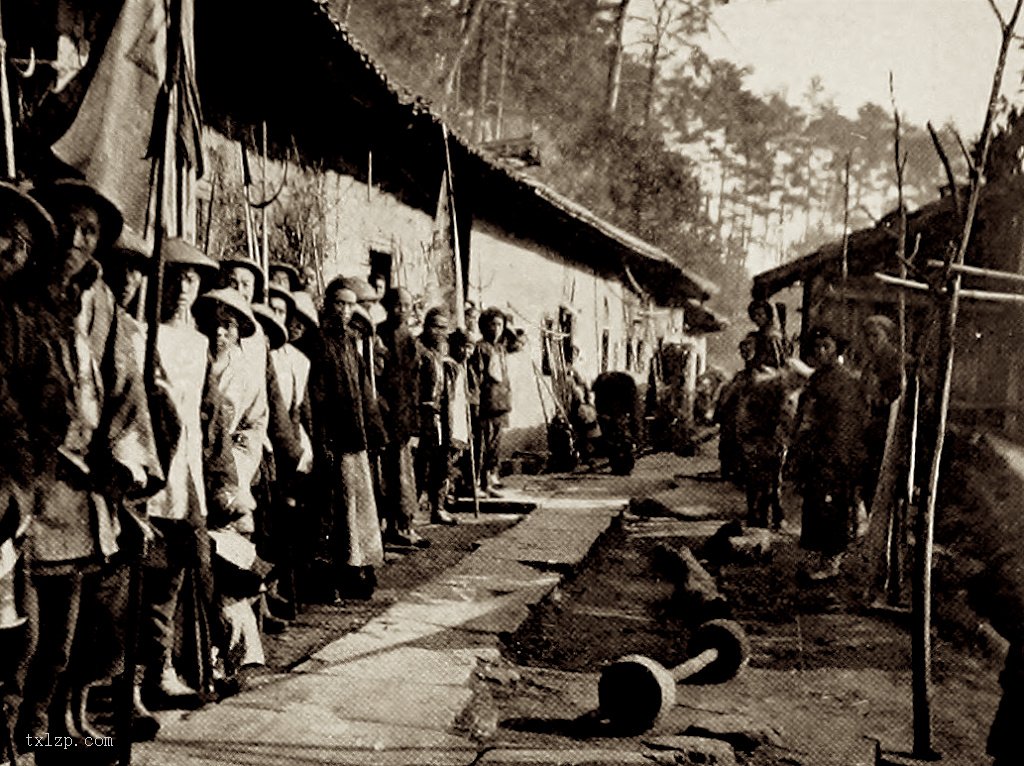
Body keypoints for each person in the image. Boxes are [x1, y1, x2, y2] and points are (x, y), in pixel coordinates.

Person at [19, 179, 163, 746]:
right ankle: (18, 738)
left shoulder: (103, 301)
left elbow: (125, 388)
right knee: (23, 637)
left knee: (64, 638)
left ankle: (50, 733)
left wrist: (126, 458)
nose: (78, 239)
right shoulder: (25, 294)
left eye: (91, 231)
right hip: (33, 487)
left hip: (86, 495)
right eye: (70, 225)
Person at [0, 182, 68, 751]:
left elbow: (49, 409)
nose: (5, 247)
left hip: (5, 497)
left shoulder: (27, 322)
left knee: (14, 634)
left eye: (18, 240)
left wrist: (24, 482)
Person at [195, 288, 269, 680]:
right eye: (213, 326)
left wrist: (235, 476)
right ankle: (200, 657)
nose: (219, 334)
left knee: (229, 569)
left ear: (239, 331)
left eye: (227, 327)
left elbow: (254, 429)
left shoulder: (247, 375)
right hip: (194, 472)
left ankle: (236, 655)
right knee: (198, 570)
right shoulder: (194, 359)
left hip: (231, 479)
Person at [308, 282, 385, 601]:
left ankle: (356, 568)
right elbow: (317, 396)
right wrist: (322, 439)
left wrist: (375, 428)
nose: (345, 311)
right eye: (339, 304)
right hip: (334, 439)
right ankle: (330, 577)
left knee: (357, 509)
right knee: (335, 510)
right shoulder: (319, 342)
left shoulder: (352, 345)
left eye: (350, 306)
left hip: (356, 439)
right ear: (328, 305)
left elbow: (366, 393)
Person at [791, 326, 868, 581]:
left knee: (833, 506)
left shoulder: (845, 381)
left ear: (837, 350)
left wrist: (837, 455)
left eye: (827, 346)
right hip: (816, 449)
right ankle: (823, 558)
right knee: (816, 505)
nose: (821, 352)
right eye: (817, 348)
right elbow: (806, 413)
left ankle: (832, 561)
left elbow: (846, 424)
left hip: (835, 451)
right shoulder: (818, 377)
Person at [377, 287, 432, 544]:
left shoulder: (410, 340)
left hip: (403, 416)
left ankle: (404, 525)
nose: (402, 310)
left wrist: (413, 420)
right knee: (386, 474)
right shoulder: (379, 334)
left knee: (403, 472)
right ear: (388, 306)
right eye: (397, 305)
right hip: (384, 414)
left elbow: (414, 383)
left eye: (407, 305)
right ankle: (390, 527)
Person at [416, 309, 459, 524]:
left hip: (443, 413)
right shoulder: (417, 349)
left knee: (443, 461)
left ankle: (438, 507)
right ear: (425, 326)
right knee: (420, 464)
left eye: (444, 327)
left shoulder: (443, 351)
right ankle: (408, 514)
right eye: (435, 326)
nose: (439, 331)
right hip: (422, 414)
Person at [860, 315, 903, 508]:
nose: (871, 341)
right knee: (868, 482)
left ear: (887, 337)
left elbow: (898, 397)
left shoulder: (898, 362)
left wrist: (879, 400)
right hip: (870, 431)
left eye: (876, 336)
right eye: (867, 336)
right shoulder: (870, 364)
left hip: (890, 431)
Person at [472, 307, 514, 496]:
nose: (496, 328)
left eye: (500, 324)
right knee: (483, 446)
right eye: (493, 324)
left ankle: (490, 479)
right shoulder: (481, 348)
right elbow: (477, 379)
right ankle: (480, 483)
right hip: (486, 405)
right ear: (484, 326)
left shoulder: (500, 348)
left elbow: (517, 341)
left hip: (501, 405)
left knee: (494, 447)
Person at [715, 334, 759, 484]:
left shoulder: (760, 375)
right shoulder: (740, 376)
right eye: (743, 350)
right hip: (734, 418)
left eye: (749, 349)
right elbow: (727, 397)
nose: (745, 353)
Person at [748, 299, 786, 371]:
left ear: (768, 316)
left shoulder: (773, 337)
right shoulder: (754, 336)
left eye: (760, 315)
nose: (756, 318)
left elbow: (780, 362)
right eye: (754, 315)